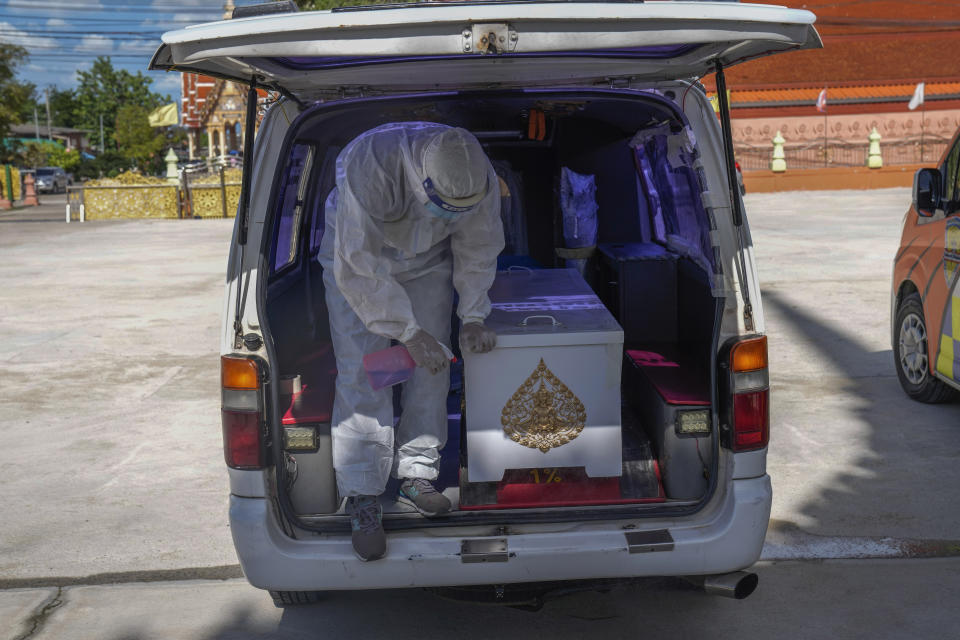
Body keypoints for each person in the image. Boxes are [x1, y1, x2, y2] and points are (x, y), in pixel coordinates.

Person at [317, 122, 504, 561]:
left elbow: (480, 244)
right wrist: (407, 332)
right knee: (365, 373)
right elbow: (358, 265)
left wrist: (473, 315)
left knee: (431, 366)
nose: (453, 215)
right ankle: (363, 493)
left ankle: (416, 474)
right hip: (360, 262)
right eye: (444, 207)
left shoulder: (477, 174)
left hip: (428, 261)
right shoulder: (370, 165)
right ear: (422, 182)